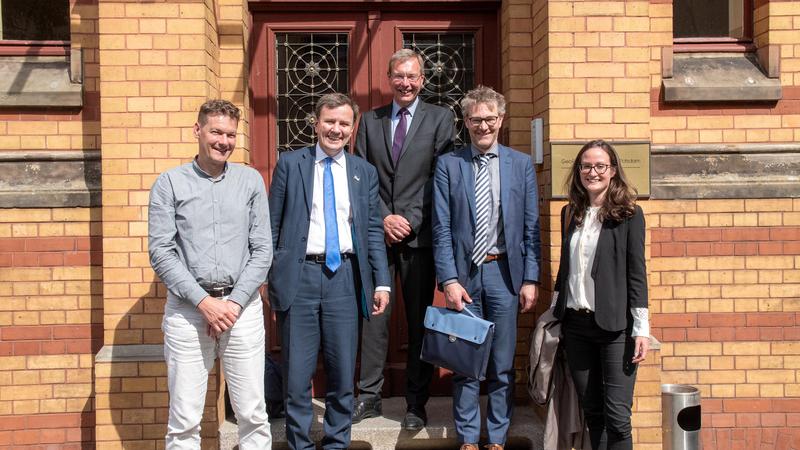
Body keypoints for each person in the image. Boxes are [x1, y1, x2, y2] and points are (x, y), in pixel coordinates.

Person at [267, 93, 392, 450]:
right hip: (300, 278)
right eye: (329, 122)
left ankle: (337, 443)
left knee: (340, 375)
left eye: (343, 124)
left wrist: (381, 281)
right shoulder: (291, 164)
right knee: (296, 378)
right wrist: (269, 276)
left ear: (352, 129)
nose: (336, 130)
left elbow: (371, 231)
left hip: (345, 281)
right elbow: (271, 226)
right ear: (316, 123)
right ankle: (300, 445)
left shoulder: (362, 172)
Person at [148, 99, 272, 449]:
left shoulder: (250, 181)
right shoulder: (169, 184)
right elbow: (161, 251)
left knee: (252, 413)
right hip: (188, 312)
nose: (224, 141)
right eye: (216, 132)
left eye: (231, 134)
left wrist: (231, 304)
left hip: (242, 309)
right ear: (197, 131)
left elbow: (263, 250)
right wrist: (204, 303)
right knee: (185, 419)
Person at [432, 86, 541, 450]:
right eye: (476, 119)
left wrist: (530, 278)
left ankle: (495, 437)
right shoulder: (449, 165)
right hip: (464, 276)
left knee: (502, 363)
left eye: (489, 119)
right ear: (465, 122)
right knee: (464, 361)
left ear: (501, 120)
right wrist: (448, 279)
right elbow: (442, 227)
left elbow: (530, 227)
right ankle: (467, 438)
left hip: (504, 274)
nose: (483, 126)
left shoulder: (520, 164)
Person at [353, 48, 455, 430]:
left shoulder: (440, 119)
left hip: (419, 238)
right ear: (389, 78)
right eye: (399, 76)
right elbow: (361, 174)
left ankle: (416, 403)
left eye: (412, 77)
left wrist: (409, 220)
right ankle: (369, 397)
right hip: (377, 237)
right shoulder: (370, 120)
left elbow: (439, 176)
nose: (406, 83)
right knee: (374, 318)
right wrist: (383, 217)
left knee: (418, 322)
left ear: (423, 79)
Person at [551, 139, 650, 450]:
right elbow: (566, 269)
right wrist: (555, 315)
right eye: (586, 166)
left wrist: (641, 329)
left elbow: (637, 273)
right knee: (592, 412)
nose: (592, 172)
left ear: (613, 170)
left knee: (618, 417)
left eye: (599, 166)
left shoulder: (630, 214)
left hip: (614, 329)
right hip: (577, 327)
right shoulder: (570, 212)